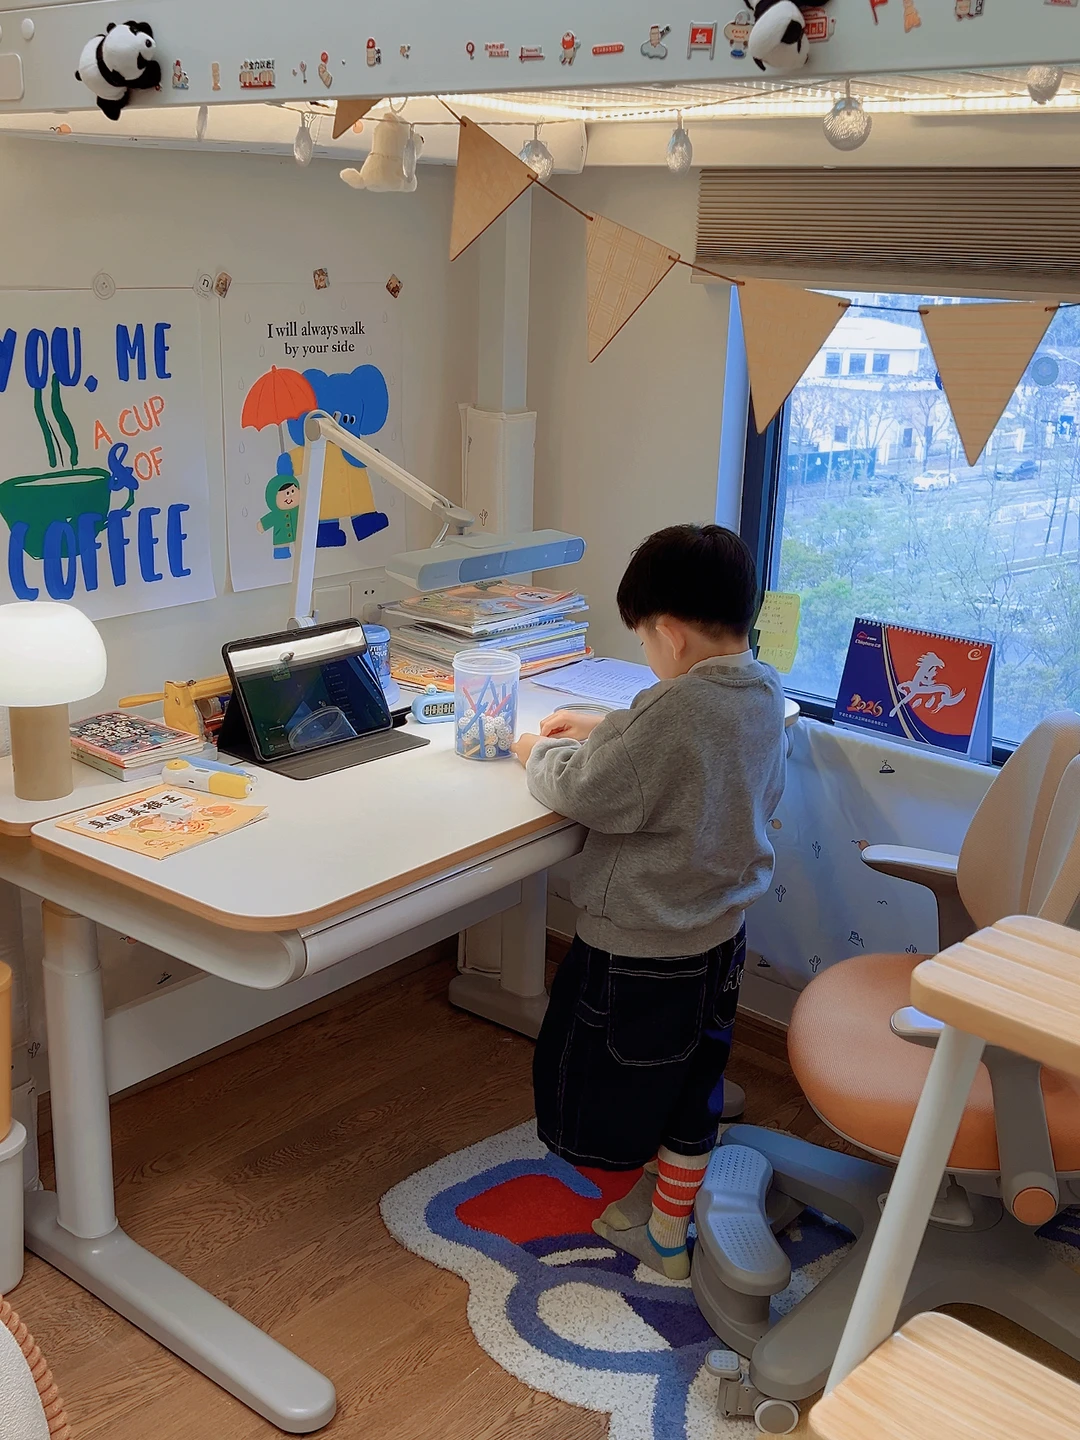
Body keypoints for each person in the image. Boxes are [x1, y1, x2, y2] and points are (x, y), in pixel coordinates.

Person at [511, 524, 786, 1279]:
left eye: (642, 641)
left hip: (641, 951)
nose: (647, 655)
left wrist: (538, 751)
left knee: (615, 1084)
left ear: (669, 633)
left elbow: (588, 789)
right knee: (692, 1086)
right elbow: (688, 742)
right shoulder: (762, 689)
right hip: (719, 938)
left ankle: (657, 1227)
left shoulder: (675, 712)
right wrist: (608, 724)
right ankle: (667, 1225)